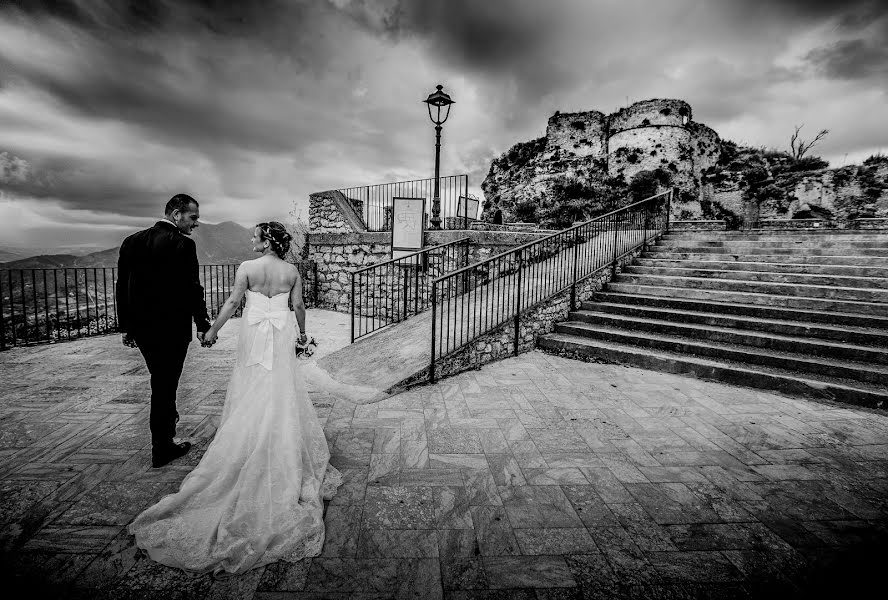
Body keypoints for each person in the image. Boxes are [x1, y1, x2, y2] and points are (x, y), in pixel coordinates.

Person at [128, 221, 341, 575]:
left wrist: (211, 330)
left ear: (265, 241)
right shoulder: (291, 271)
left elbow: (231, 302)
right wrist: (303, 334)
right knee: (280, 388)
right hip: (281, 333)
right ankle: (278, 440)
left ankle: (249, 440)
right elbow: (299, 306)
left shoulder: (247, 268)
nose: (250, 240)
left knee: (252, 387)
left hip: (254, 333)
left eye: (254, 236)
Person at [117, 194, 210, 469]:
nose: (196, 224)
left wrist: (127, 327)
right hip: (171, 330)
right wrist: (202, 324)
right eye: (193, 217)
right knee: (164, 386)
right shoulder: (183, 244)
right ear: (177, 214)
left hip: (143, 330)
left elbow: (123, 287)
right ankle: (162, 447)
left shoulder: (131, 241)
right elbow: (192, 288)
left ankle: (165, 435)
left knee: (161, 381)